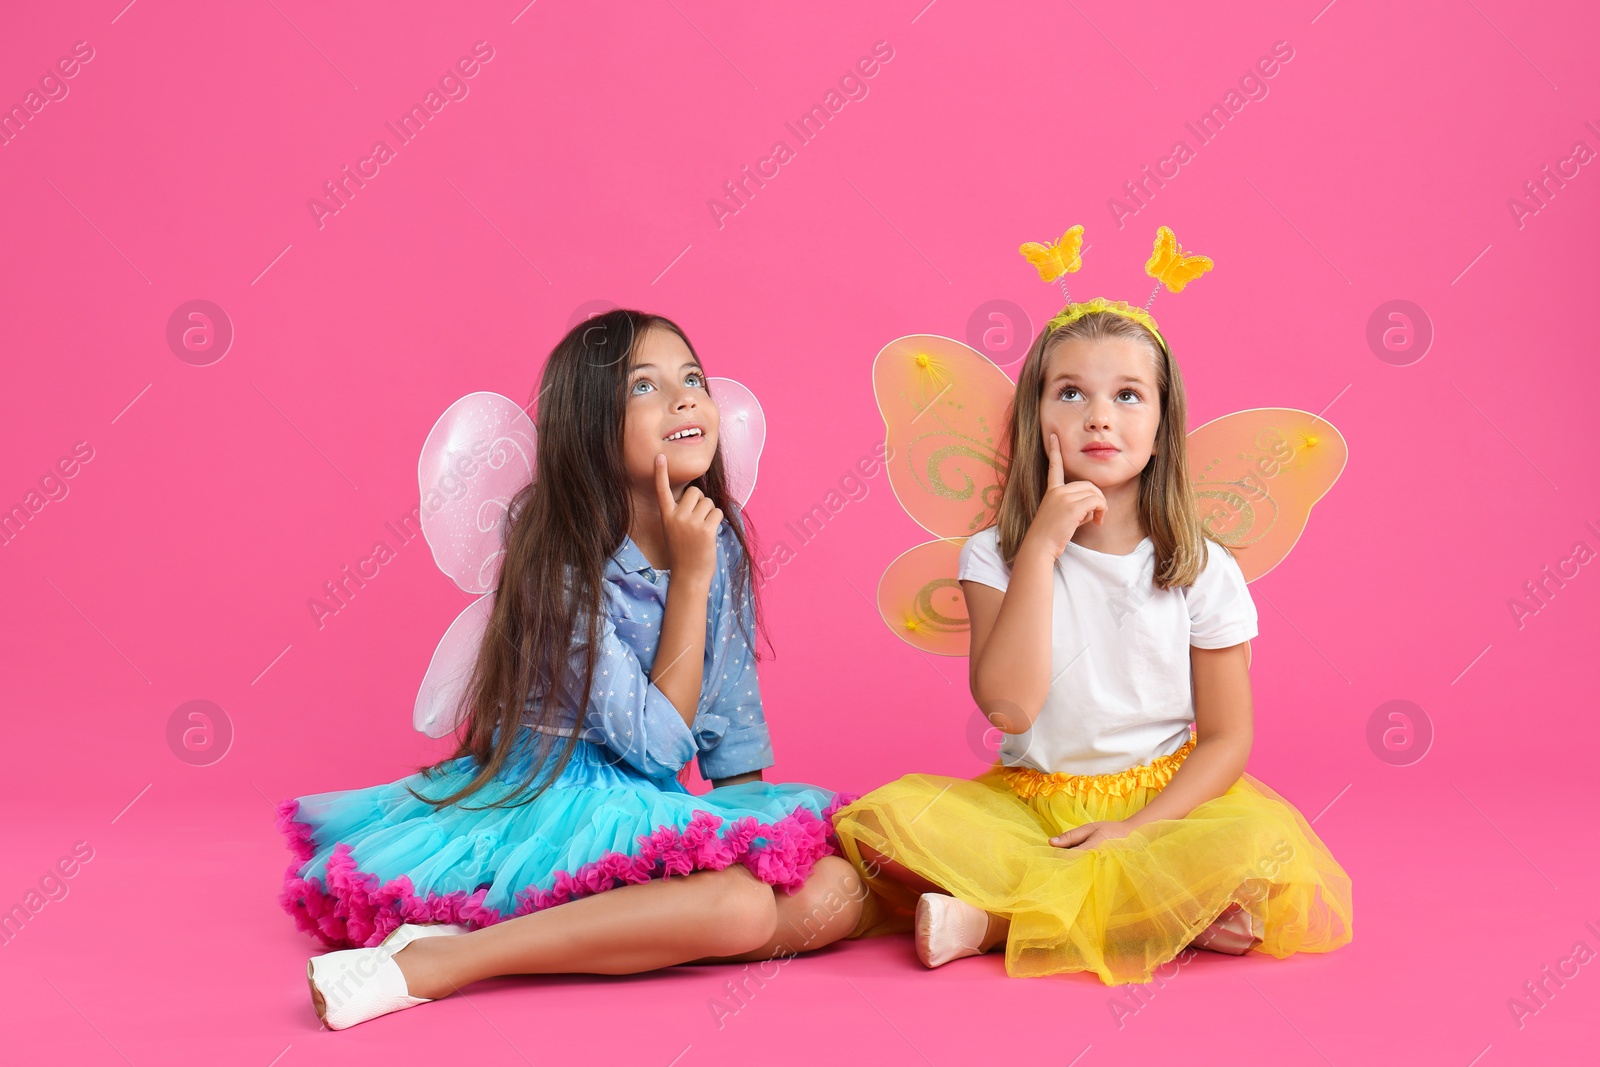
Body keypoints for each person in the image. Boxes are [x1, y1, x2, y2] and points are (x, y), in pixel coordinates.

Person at [278, 309, 862, 1029]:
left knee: (836, 889)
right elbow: (656, 743)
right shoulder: (558, 565)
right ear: (588, 428)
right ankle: (442, 961)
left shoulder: (717, 536)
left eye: (692, 379)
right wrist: (689, 576)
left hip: (649, 799)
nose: (684, 398)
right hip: (560, 797)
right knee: (742, 908)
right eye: (644, 386)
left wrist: (752, 834)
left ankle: (647, 927)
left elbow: (730, 713)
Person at [831, 227, 1353, 985]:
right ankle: (1156, 916)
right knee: (889, 825)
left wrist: (1135, 833)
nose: (1098, 416)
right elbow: (1009, 707)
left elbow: (1227, 739)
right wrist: (1041, 547)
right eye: (1070, 392)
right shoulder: (994, 555)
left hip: (1167, 806)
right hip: (1030, 804)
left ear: (1161, 424)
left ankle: (991, 920)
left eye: (1127, 395)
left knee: (1251, 859)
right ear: (1034, 416)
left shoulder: (1201, 565)